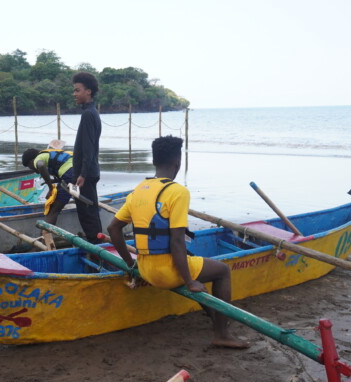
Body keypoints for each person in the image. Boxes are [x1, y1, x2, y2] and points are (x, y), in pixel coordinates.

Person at [107, 135, 249, 349]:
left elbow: (112, 229)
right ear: (178, 163)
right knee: (221, 271)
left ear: (154, 161)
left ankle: (216, 315)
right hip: (166, 273)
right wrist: (189, 280)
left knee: (196, 268)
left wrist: (130, 263)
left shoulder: (139, 190)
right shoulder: (177, 192)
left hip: (145, 269)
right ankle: (222, 333)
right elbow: (176, 242)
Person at [71, 72, 102, 243]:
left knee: (88, 216)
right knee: (90, 213)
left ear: (88, 91)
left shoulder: (89, 114)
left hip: (86, 174)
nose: (74, 94)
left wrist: (82, 174)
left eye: (77, 90)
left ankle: (96, 250)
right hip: (88, 172)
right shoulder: (91, 113)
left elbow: (88, 149)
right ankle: (97, 247)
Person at [22, 140, 74, 224]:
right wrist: (53, 181)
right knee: (83, 201)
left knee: (53, 208)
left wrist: (50, 187)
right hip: (84, 171)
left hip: (70, 174)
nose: (34, 170)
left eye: (30, 167)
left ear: (31, 161)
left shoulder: (38, 158)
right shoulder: (50, 153)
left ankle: (45, 235)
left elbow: (41, 165)